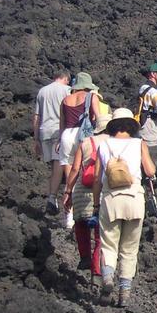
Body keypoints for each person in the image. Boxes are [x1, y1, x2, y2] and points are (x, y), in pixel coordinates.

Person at [92, 108, 156, 308]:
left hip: (110, 198)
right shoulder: (139, 144)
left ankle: (108, 277)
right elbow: (150, 170)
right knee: (129, 249)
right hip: (134, 198)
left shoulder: (103, 146)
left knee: (109, 244)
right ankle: (124, 294)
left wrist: (95, 204)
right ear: (131, 126)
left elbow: (96, 179)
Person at [61, 112, 109, 281]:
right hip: (102, 189)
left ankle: (84, 257)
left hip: (82, 189)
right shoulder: (112, 143)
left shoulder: (86, 142)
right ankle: (97, 270)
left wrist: (68, 191)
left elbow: (75, 169)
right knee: (99, 235)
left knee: (81, 224)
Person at [57, 73, 102, 228]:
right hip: (83, 136)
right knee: (83, 173)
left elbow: (61, 124)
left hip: (66, 136)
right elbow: (99, 118)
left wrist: (58, 141)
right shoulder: (91, 96)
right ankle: (86, 211)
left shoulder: (65, 100)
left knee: (69, 177)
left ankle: (68, 218)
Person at [34, 70, 71, 215]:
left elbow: (36, 117)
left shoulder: (42, 91)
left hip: (44, 131)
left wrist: (36, 139)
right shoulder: (67, 90)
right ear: (65, 79)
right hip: (58, 131)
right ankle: (53, 198)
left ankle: (53, 198)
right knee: (59, 165)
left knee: (54, 166)